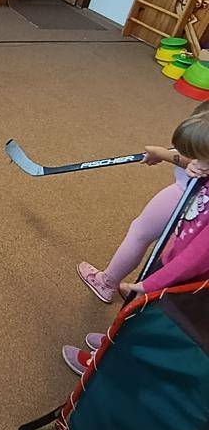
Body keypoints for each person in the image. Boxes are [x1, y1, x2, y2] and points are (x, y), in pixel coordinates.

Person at [63, 110, 209, 375]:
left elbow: (194, 259)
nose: (196, 162)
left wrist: (149, 285)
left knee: (152, 319)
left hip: (178, 279)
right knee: (143, 313)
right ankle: (113, 341)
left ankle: (103, 362)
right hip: (173, 260)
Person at [77, 101, 209, 303]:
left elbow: (189, 161)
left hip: (186, 197)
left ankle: (106, 282)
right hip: (193, 206)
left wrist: (163, 153)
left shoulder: (199, 169)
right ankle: (142, 290)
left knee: (139, 233)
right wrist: (163, 153)